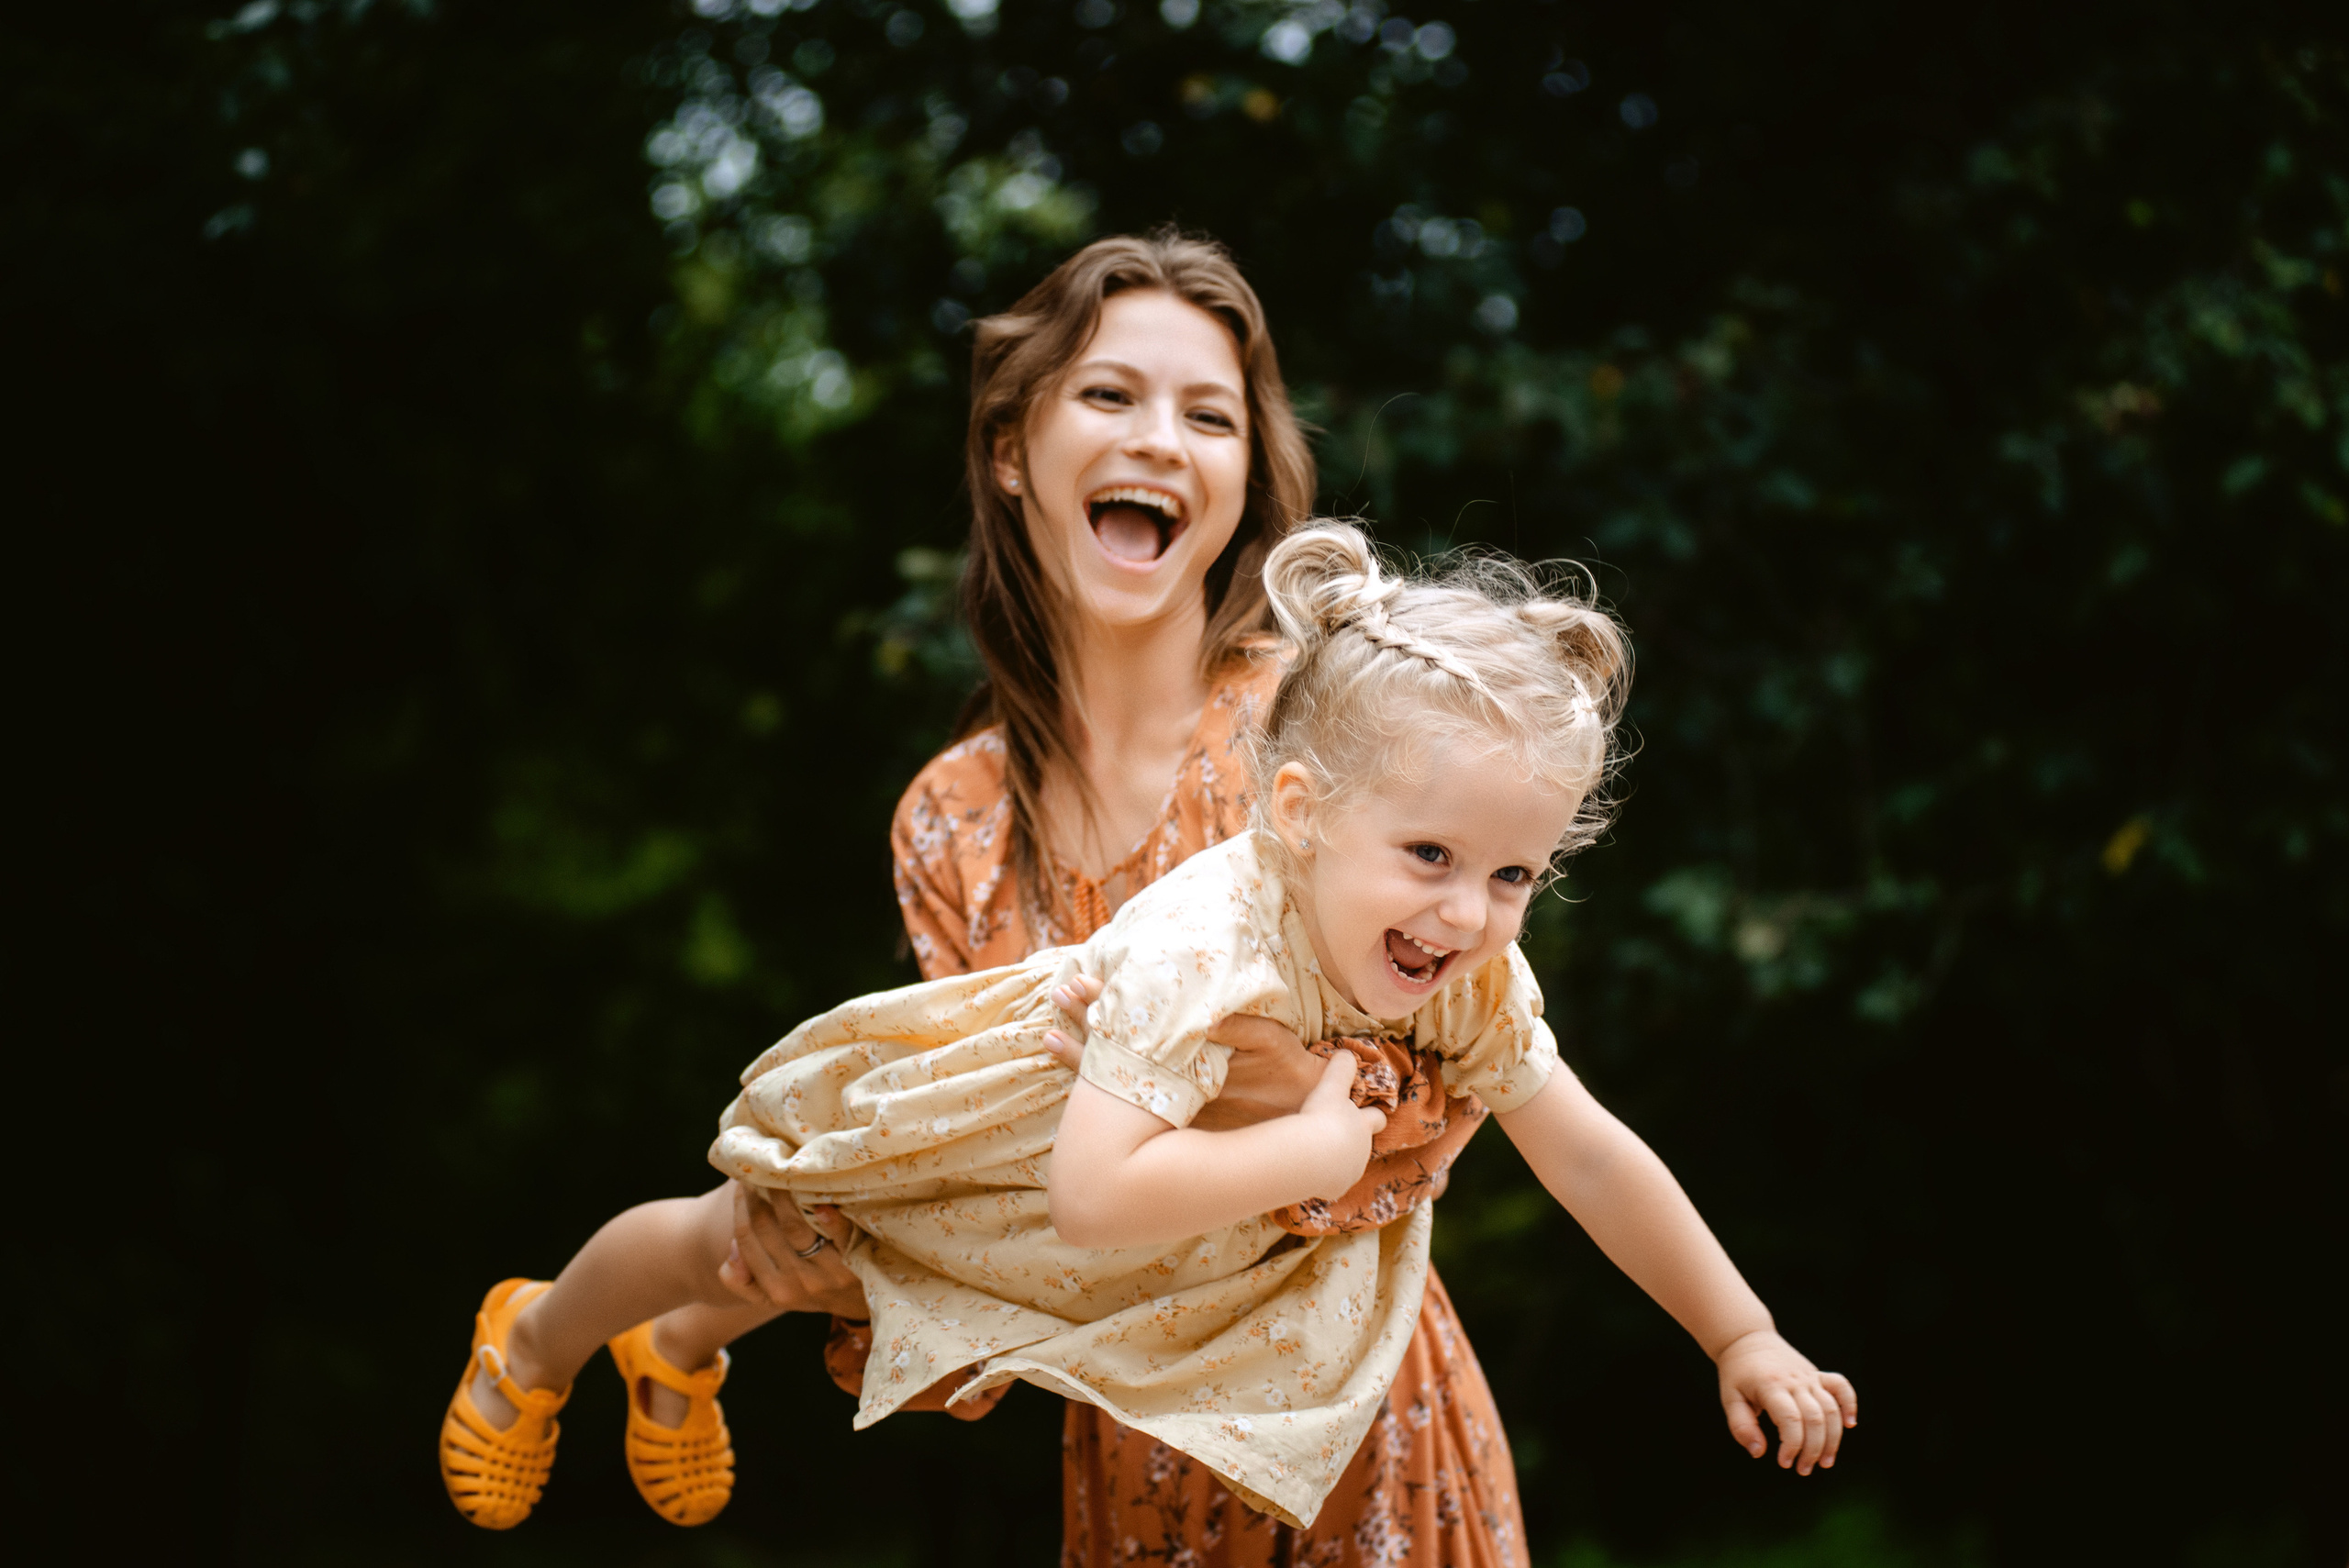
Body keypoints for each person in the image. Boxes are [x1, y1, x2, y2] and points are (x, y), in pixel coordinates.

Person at [441, 517, 1860, 1541]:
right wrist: (1308, 1148)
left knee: (835, 1283)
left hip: (1091, 1253)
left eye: (1512, 872)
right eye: (1430, 853)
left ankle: (673, 1351)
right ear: (1299, 812)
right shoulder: (1205, 948)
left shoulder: (1468, 967)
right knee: (737, 1238)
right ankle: (538, 1340)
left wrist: (1740, 1332)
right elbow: (1093, 1188)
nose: (1469, 910)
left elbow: (1589, 1151)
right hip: (995, 1149)